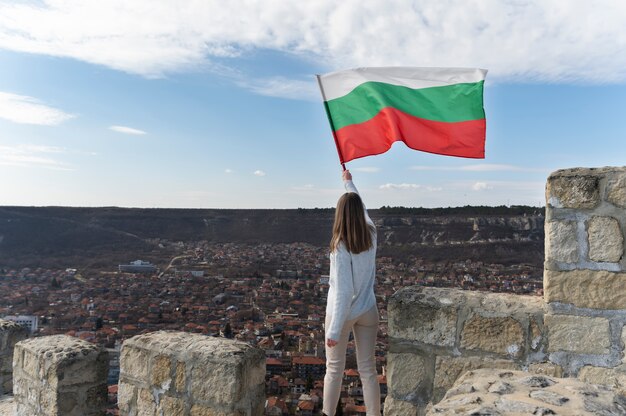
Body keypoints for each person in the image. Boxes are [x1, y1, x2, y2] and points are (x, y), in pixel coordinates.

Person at [323, 169, 380, 416]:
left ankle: (327, 414)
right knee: (368, 368)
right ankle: (375, 414)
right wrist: (349, 184)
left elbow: (344, 291)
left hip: (343, 313)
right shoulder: (371, 233)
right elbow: (363, 207)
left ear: (339, 215)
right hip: (368, 309)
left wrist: (334, 330)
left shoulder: (340, 247)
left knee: (334, 369)